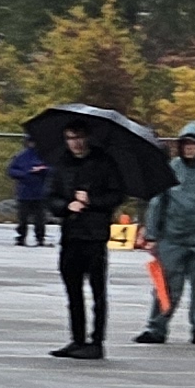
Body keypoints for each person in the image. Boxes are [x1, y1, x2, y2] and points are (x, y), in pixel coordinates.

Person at [133, 120, 195, 344]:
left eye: (193, 144)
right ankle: (156, 328)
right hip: (172, 239)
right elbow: (158, 203)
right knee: (165, 286)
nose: (189, 148)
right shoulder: (171, 168)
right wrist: (151, 236)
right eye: (185, 144)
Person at [45, 120, 126, 358]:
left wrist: (91, 201)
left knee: (97, 290)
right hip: (71, 235)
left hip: (95, 236)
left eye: (79, 137)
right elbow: (51, 197)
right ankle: (77, 339)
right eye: (71, 138)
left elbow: (116, 195)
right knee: (73, 290)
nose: (76, 143)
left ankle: (96, 341)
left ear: (87, 137)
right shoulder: (61, 165)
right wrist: (67, 206)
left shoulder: (103, 163)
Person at [6, 139, 54, 246]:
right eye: (30, 141)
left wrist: (43, 170)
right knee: (23, 218)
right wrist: (26, 173)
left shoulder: (46, 156)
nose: (33, 144)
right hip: (24, 193)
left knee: (40, 219)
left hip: (41, 193)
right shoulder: (21, 156)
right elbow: (11, 170)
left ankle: (40, 238)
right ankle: (21, 237)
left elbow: (54, 169)